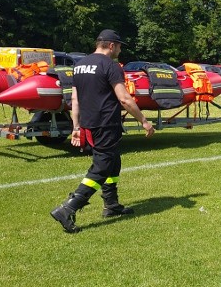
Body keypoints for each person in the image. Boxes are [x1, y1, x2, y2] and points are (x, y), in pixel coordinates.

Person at [50, 29, 155, 234]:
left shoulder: (79, 66)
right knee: (101, 167)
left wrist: (76, 127)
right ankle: (68, 207)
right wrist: (144, 120)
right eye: (119, 46)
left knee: (113, 161)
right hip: (106, 123)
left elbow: (75, 100)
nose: (120, 50)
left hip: (90, 124)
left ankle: (111, 204)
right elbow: (124, 98)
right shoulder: (111, 66)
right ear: (111, 45)